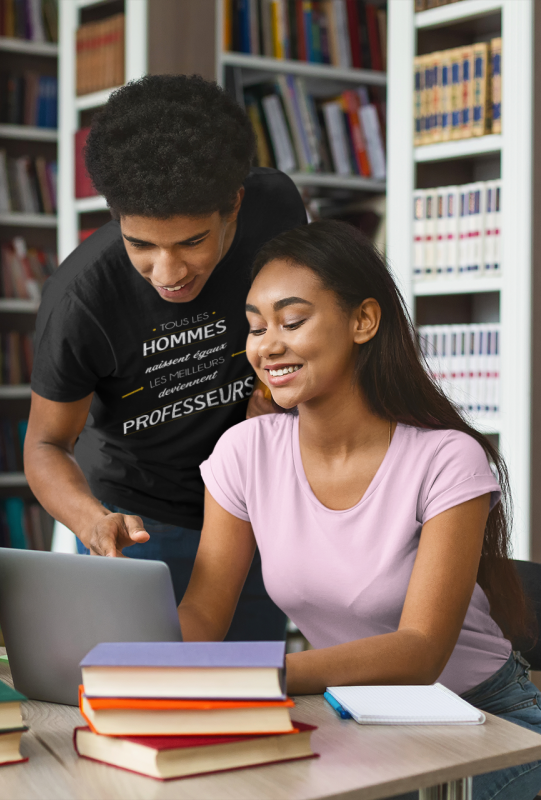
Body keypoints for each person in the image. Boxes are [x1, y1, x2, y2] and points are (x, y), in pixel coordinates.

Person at [178, 219, 541, 800]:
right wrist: (133, 660)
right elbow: (201, 614)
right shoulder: (245, 451)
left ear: (363, 321)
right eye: (255, 327)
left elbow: (419, 651)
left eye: (292, 321)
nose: (268, 345)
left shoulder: (448, 459)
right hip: (356, 718)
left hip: (484, 723)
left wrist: (263, 675)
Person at [24, 74, 306, 640]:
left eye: (192, 242)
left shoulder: (275, 208)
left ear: (235, 205)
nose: (168, 273)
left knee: (249, 701)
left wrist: (277, 394)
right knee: (139, 700)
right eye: (141, 245)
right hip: (141, 526)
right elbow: (45, 444)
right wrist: (92, 522)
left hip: (255, 509)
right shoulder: (81, 300)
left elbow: (304, 317)